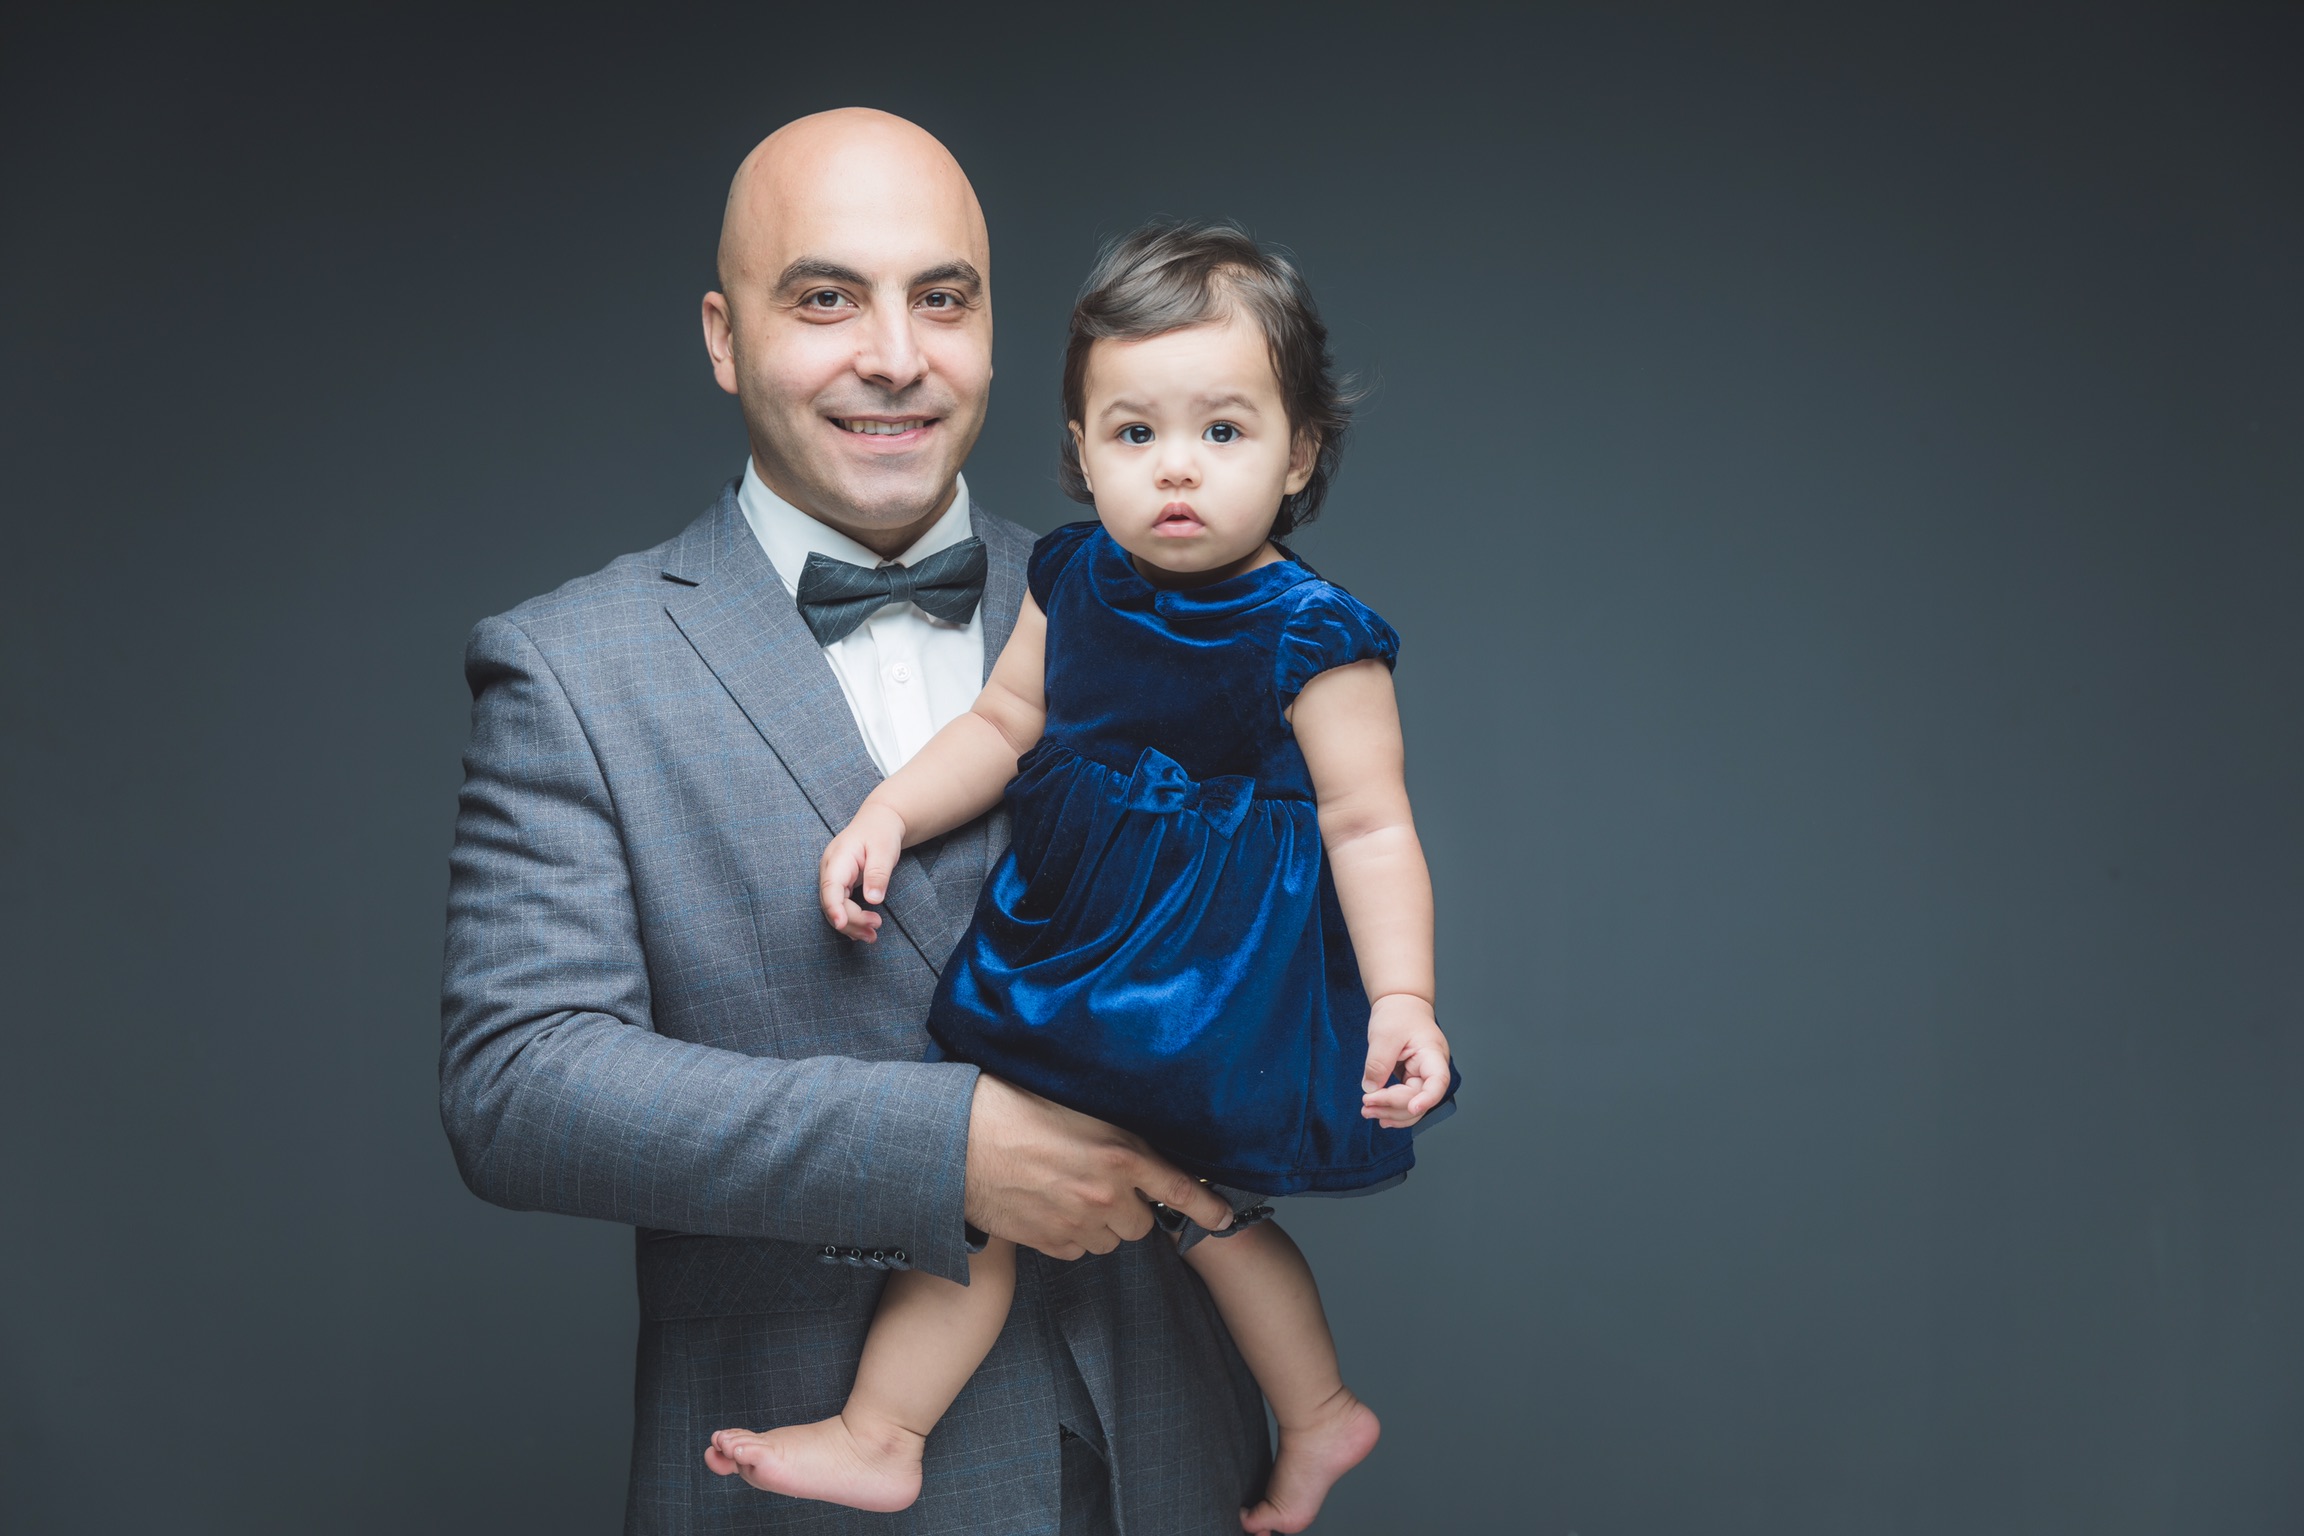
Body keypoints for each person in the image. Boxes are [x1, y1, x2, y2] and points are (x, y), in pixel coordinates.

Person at [439, 111, 1269, 1535]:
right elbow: (517, 1086)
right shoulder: (570, 667)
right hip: (809, 1496)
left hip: (1178, 1464)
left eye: (942, 299)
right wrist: (939, 1150)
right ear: (724, 337)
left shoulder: (1168, 606)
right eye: (826, 298)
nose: (895, 355)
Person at [707, 222, 1460, 1534]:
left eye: (1222, 431)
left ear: (1300, 454)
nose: (1176, 465)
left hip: (1209, 981)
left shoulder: (1315, 635)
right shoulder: (1075, 579)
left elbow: (1370, 826)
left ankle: (1311, 1412)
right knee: (995, 1187)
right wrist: (888, 811)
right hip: (1073, 959)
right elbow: (1004, 726)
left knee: (1202, 1210)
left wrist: (1404, 999)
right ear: (1080, 451)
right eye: (1132, 432)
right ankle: (891, 1433)